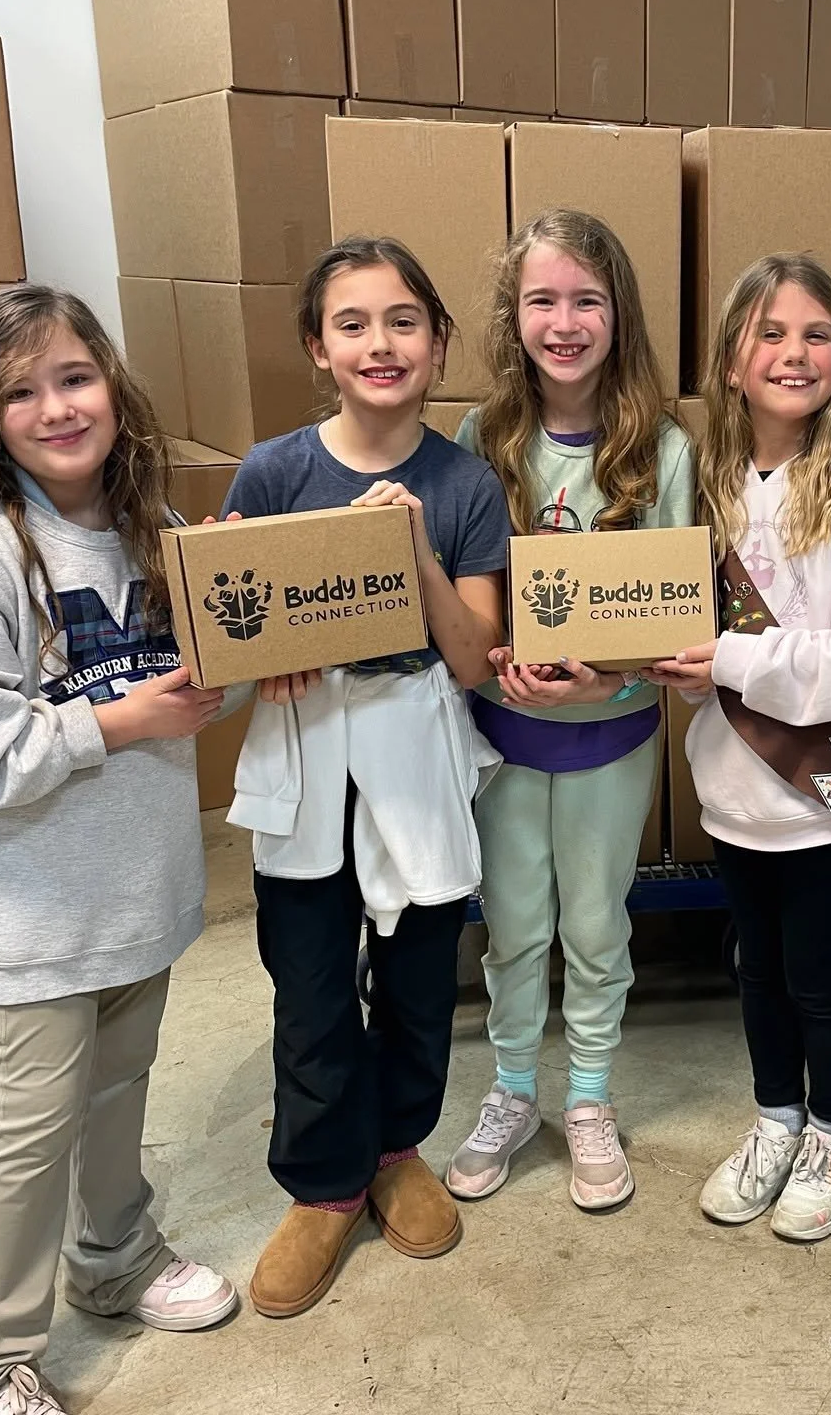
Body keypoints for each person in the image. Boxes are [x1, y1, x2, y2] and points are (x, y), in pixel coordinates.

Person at [0, 285, 237, 1415]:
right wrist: (119, 723)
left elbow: (182, 692)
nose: (57, 406)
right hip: (26, 912)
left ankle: (113, 1257)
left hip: (136, 892)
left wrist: (226, 622)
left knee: (120, 1089)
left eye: (74, 378)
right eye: (20, 391)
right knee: (28, 1133)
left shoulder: (155, 535)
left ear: (113, 387)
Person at [222, 236, 509, 1318]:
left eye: (402, 321)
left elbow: (478, 656)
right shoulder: (276, 471)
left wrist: (417, 554)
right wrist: (270, 646)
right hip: (305, 743)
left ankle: (397, 1148)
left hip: (414, 737)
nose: (379, 343)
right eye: (352, 323)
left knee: (422, 967)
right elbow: (229, 628)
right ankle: (324, 1187)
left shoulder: (463, 480)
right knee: (308, 976)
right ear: (318, 348)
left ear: (437, 345)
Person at [649, 253, 831, 1242]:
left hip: (830, 793)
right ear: (732, 359)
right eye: (769, 333)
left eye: (815, 333)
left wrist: (728, 657)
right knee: (756, 968)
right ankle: (775, 1118)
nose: (793, 352)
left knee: (819, 973)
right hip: (735, 787)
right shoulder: (708, 481)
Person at [448, 209, 696, 1210]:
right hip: (505, 736)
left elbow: (677, 616)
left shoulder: (664, 450)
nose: (564, 321)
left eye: (585, 300)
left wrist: (614, 682)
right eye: (542, 300)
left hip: (611, 736)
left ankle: (588, 1096)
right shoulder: (481, 437)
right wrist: (495, 662)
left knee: (595, 926)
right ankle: (512, 1089)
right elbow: (470, 589)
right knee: (513, 926)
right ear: (514, 317)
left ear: (618, 315)